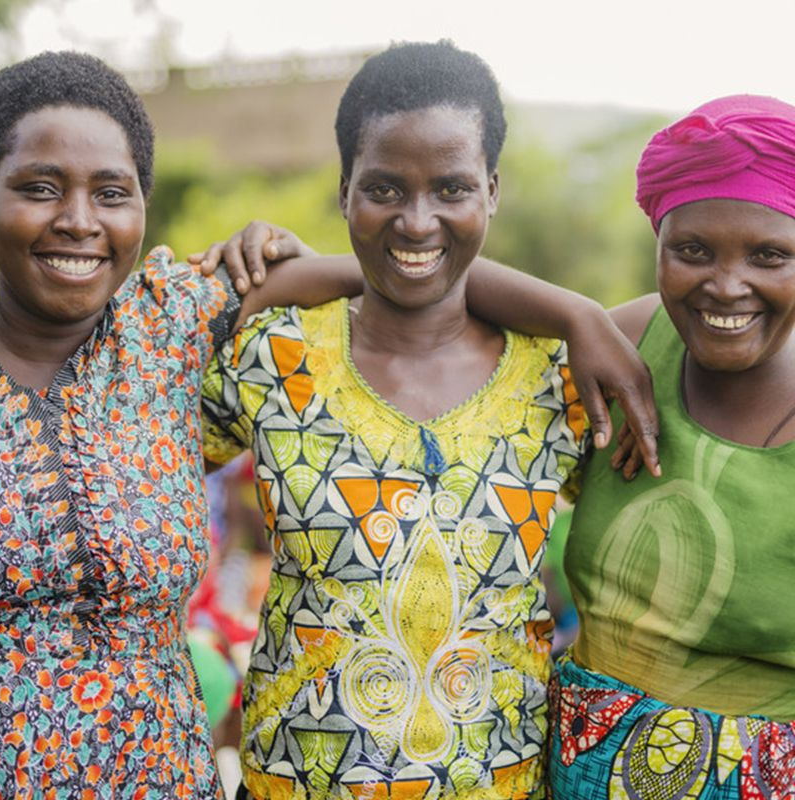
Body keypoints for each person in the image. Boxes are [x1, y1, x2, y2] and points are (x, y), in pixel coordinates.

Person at [200, 39, 640, 799]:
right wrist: (294, 278)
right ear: (344, 192)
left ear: (492, 191)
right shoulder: (271, 354)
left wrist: (578, 312)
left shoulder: (558, 379)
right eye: (383, 189)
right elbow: (128, 429)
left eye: (451, 188)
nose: (416, 220)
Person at [0, 49, 363, 797]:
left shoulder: (167, 326)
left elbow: (402, 265)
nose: (78, 221)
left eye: (112, 193)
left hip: (167, 778)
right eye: (39, 188)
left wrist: (579, 319)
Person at [548, 95, 795, 798]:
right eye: (691, 250)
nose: (725, 285)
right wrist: (576, 315)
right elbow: (441, 299)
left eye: (770, 255)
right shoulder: (632, 344)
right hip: (578, 767)